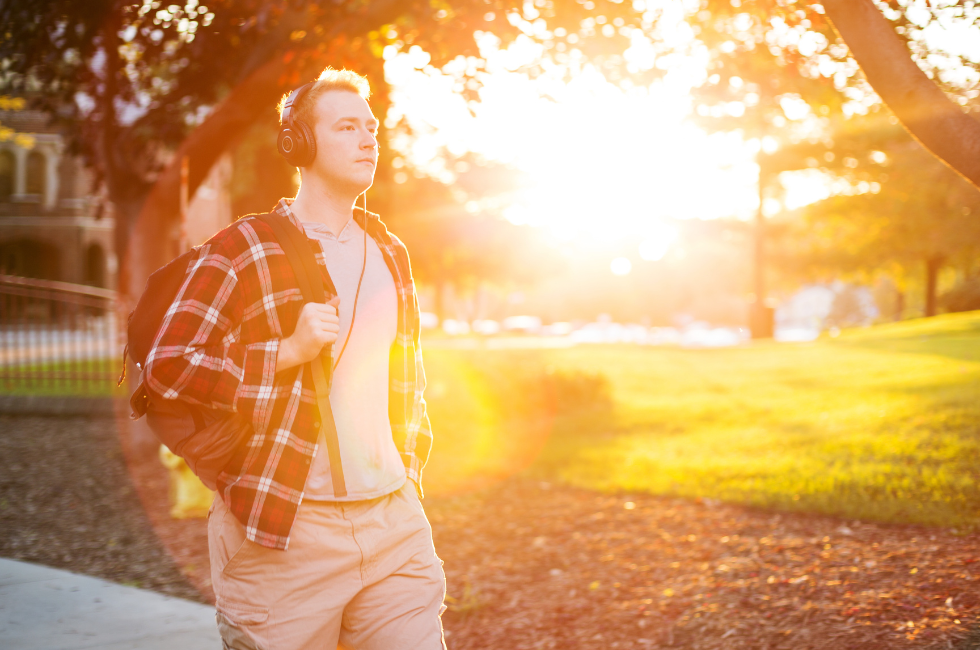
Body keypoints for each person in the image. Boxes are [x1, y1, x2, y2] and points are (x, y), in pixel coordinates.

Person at [143, 67, 445, 650]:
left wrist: (409, 472)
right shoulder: (245, 247)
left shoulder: (389, 249)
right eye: (347, 127)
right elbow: (168, 364)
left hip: (393, 525)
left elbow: (406, 380)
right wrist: (285, 352)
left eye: (372, 129)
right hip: (286, 531)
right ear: (298, 143)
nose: (367, 140)